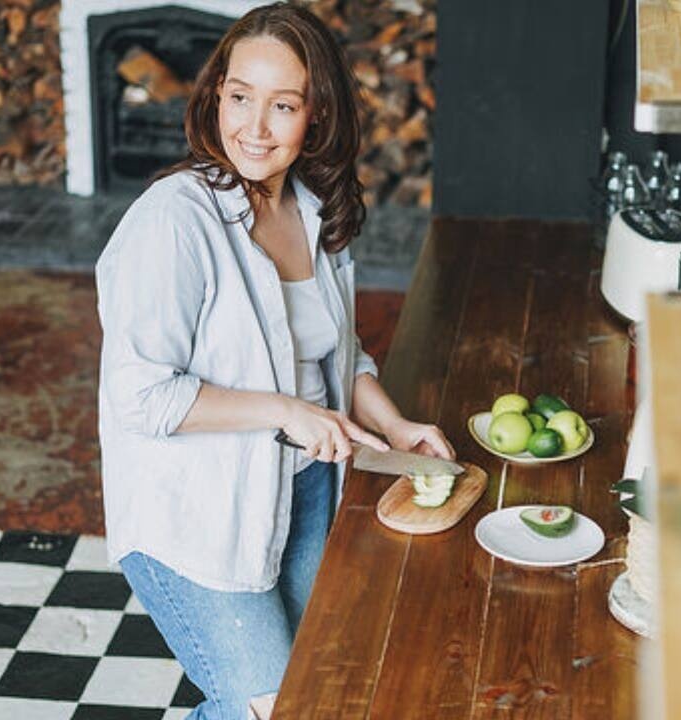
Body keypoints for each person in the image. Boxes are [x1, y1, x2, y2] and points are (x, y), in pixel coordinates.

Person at [94, 4, 453, 717]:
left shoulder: (318, 213)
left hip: (304, 491)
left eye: (281, 105)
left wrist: (395, 425)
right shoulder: (174, 221)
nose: (253, 128)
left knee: (315, 687)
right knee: (268, 708)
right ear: (216, 95)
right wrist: (284, 412)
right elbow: (142, 397)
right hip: (194, 517)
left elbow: (334, 355)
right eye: (239, 97)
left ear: (315, 117)